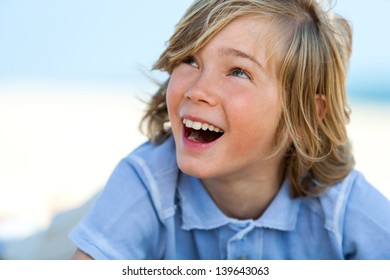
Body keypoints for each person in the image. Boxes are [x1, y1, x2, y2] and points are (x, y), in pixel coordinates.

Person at [69, 0, 390, 259]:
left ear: (304, 114)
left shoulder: (344, 209)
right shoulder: (146, 183)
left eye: (238, 72)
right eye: (190, 60)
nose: (197, 90)